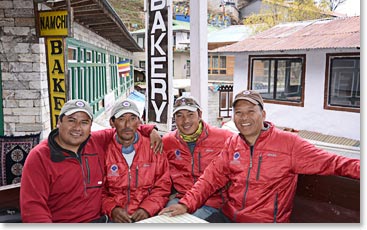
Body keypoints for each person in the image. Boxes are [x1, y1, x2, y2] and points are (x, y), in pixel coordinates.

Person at [159, 90, 360, 223]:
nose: (244, 118)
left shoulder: (289, 143)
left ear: (263, 115)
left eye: (250, 111)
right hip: (229, 217)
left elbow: (335, 163)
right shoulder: (232, 143)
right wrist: (186, 204)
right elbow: (210, 179)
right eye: (238, 112)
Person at [20, 99, 162, 223]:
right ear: (59, 122)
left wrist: (150, 130)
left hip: (100, 221)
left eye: (84, 122)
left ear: (90, 127)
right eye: (71, 120)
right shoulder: (39, 157)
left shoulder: (96, 141)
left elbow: (125, 129)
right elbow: (33, 209)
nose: (77, 128)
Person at [162, 96, 234, 220]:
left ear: (199, 114)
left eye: (190, 114)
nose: (185, 121)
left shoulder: (224, 137)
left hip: (213, 202)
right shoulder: (167, 141)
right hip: (181, 199)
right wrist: (149, 130)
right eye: (179, 116)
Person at [102, 99, 171, 223]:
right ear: (112, 122)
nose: (127, 125)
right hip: (115, 218)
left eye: (133, 118)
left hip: (149, 216)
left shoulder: (154, 147)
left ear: (139, 121)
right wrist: (112, 209)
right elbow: (99, 190)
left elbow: (163, 187)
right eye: (122, 119)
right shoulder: (103, 150)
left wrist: (147, 209)